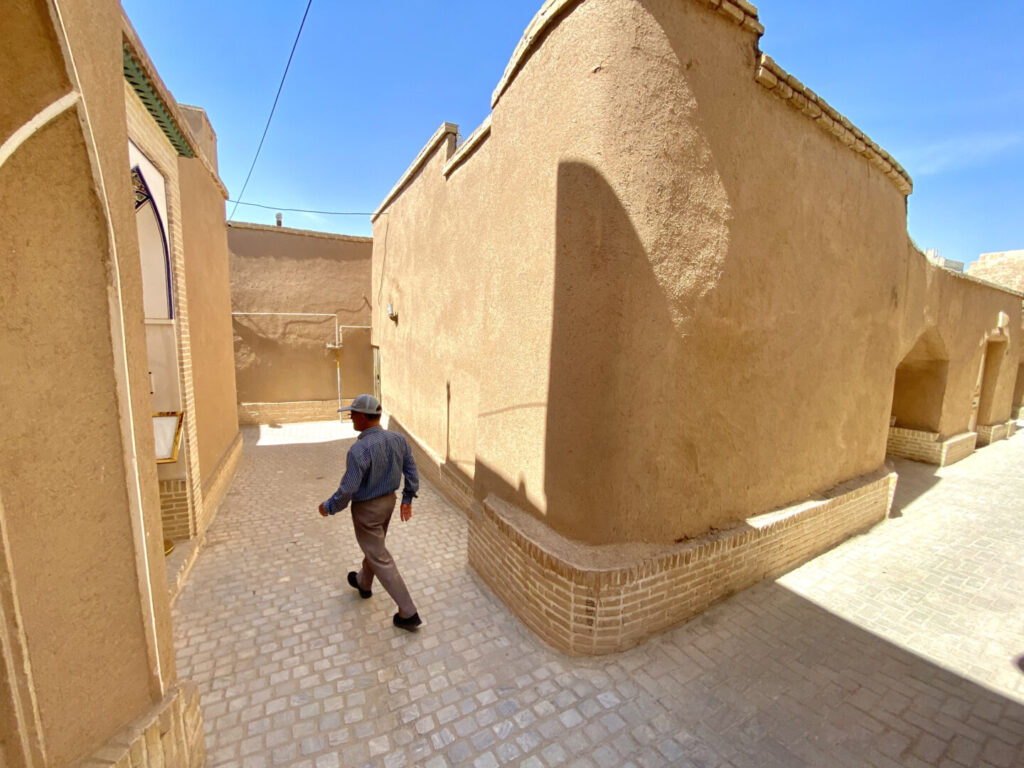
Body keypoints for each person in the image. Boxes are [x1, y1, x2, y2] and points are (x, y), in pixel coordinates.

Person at [318, 394, 422, 631]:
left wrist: (329, 507)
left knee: (380, 556)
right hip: (389, 503)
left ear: (364, 418)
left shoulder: (359, 450)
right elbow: (412, 470)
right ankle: (363, 582)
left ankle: (409, 612)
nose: (351, 417)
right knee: (374, 549)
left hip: (367, 510)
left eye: (353, 413)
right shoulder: (398, 439)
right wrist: (407, 498)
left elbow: (348, 489)